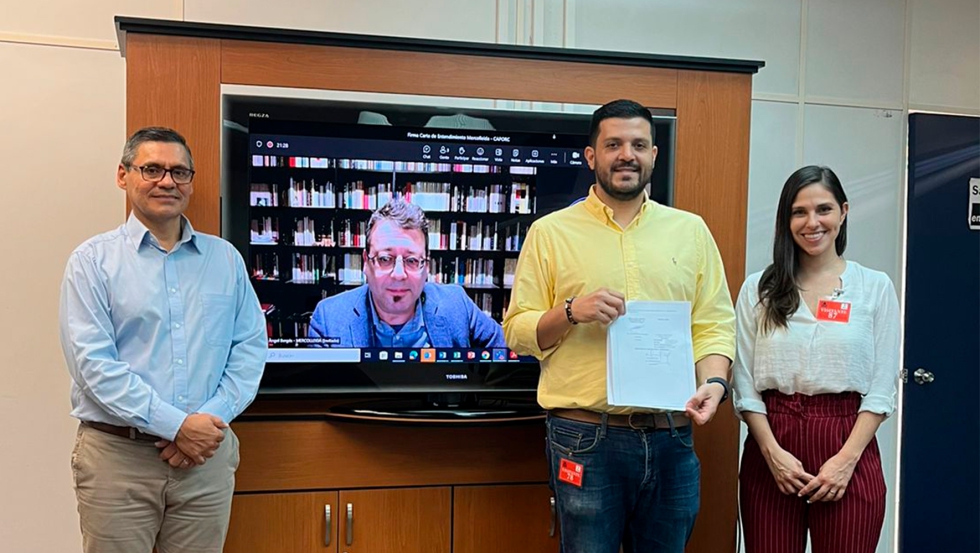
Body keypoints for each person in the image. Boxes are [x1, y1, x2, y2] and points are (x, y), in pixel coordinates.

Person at [502, 99, 736, 553]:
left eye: (638, 144)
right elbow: (517, 330)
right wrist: (571, 311)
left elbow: (713, 323)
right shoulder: (550, 233)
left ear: (653, 155)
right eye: (613, 144)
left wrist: (714, 380)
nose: (626, 154)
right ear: (592, 156)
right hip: (586, 438)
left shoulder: (690, 232)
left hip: (672, 437)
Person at [59, 127, 268, 553]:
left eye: (179, 172)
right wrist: (177, 427)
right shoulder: (92, 262)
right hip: (119, 459)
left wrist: (204, 425)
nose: (167, 181)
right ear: (123, 175)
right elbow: (94, 366)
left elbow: (248, 349)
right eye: (151, 169)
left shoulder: (225, 259)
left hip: (205, 460)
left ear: (190, 181)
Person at [732, 165, 900, 553]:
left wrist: (845, 460)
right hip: (772, 442)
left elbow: (881, 386)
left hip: (847, 440)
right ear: (785, 220)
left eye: (823, 209)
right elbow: (743, 380)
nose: (812, 222)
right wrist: (771, 453)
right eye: (799, 212)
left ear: (843, 211)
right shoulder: (760, 288)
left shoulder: (873, 287)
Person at [308, 199, 506, 348]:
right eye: (385, 259)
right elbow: (319, 399)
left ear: (427, 266)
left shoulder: (457, 304)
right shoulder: (328, 319)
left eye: (411, 260)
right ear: (365, 263)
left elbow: (510, 356)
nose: (399, 274)